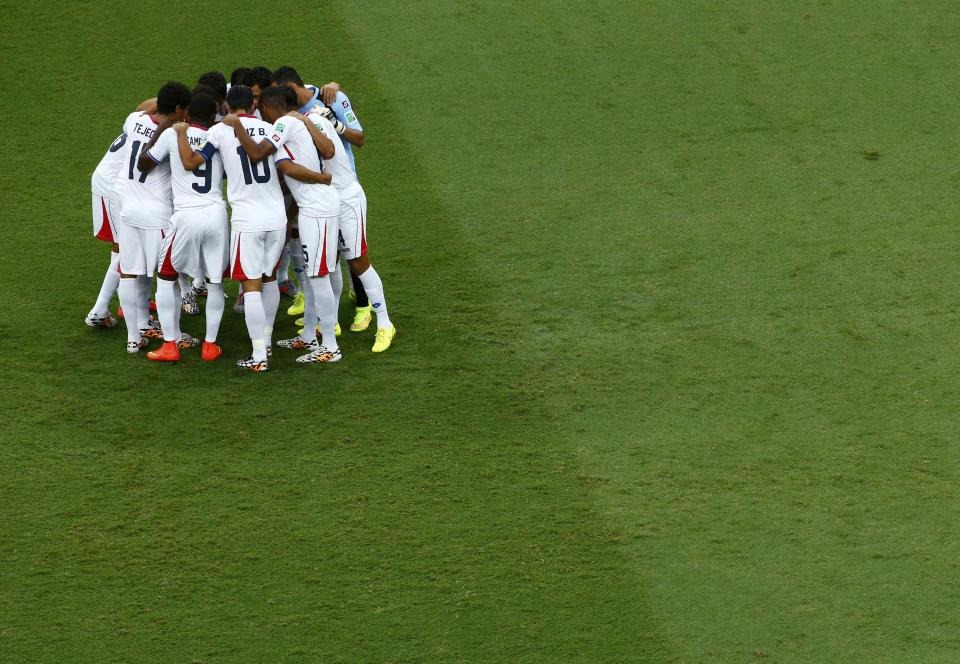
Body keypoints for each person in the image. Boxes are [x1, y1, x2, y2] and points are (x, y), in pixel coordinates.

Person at [176, 85, 327, 371]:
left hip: (248, 220)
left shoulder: (220, 131)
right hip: (276, 218)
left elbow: (194, 162)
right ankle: (267, 342)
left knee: (252, 285)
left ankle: (259, 356)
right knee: (269, 278)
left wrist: (182, 133)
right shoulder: (269, 127)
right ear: (253, 104)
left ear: (227, 106)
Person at [228, 86, 342, 364]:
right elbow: (294, 165)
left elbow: (257, 154)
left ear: (268, 106)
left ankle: (330, 345)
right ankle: (309, 337)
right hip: (318, 206)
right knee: (316, 275)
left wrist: (236, 126)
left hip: (317, 209)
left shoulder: (282, 123)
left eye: (262, 108)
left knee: (318, 276)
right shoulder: (294, 123)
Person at [138, 92, 227, 362]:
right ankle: (210, 345)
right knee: (215, 283)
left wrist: (167, 129)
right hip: (217, 213)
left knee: (166, 277)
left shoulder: (172, 134)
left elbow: (144, 163)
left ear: (186, 114)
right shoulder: (220, 137)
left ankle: (169, 345)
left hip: (186, 215)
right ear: (213, 117)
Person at [301, 105, 396, 352]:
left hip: (346, 200)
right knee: (329, 263)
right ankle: (330, 325)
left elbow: (329, 151)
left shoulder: (311, 120)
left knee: (357, 262)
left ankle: (385, 324)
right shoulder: (308, 118)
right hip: (328, 201)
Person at [114, 81, 191, 353]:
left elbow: (142, 109)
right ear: (179, 109)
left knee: (128, 273)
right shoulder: (172, 135)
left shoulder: (132, 120)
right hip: (157, 214)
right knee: (167, 278)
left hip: (129, 210)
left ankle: (133, 337)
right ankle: (176, 335)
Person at [85, 131, 127, 328]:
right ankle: (99, 310)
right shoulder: (163, 130)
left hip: (107, 181)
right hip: (113, 187)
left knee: (120, 245)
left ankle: (127, 302)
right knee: (127, 248)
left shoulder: (139, 117)